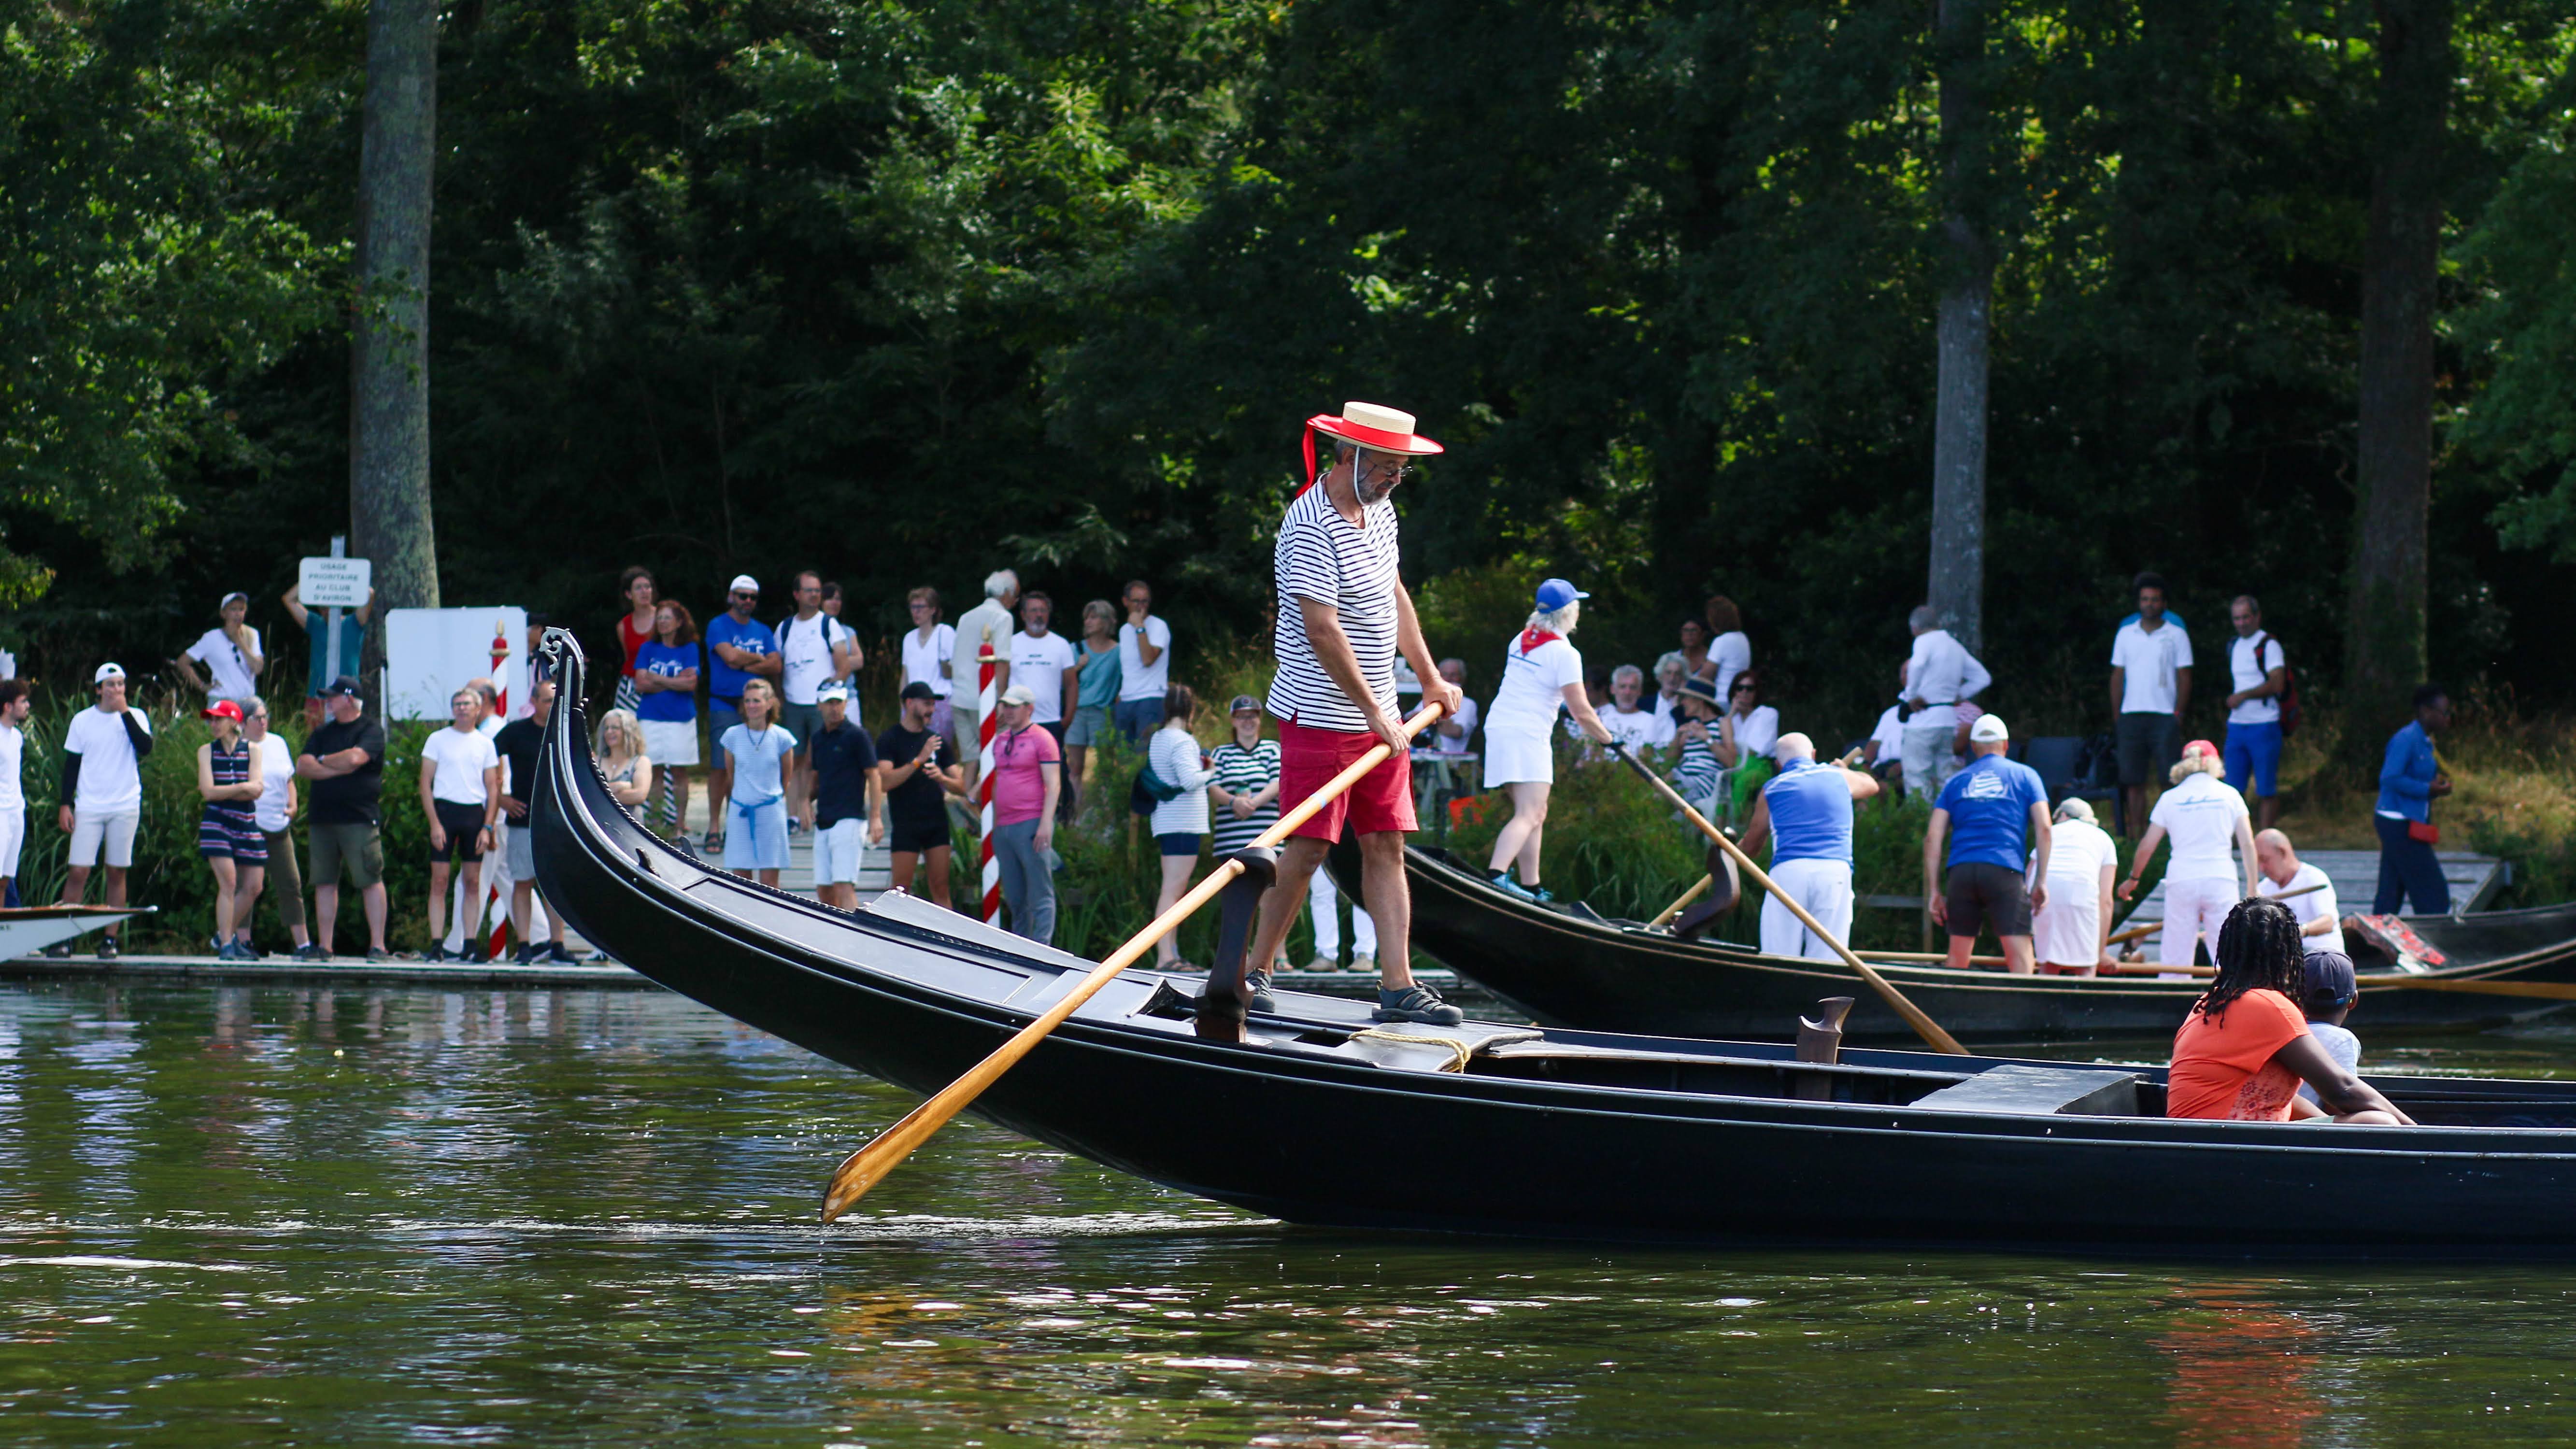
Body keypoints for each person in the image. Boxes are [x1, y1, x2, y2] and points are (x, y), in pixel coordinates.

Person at [1245, 401, 1467, 1025]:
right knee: (1308, 848)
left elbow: (1393, 594)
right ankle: (1254, 972)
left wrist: (1428, 678)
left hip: (1381, 717)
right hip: (1318, 715)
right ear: (1350, 457)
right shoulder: (1309, 525)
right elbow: (1321, 629)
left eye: (1401, 468)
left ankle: (1397, 987)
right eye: (1387, 467)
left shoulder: (1380, 511)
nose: (1395, 479)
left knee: (1387, 842)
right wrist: (1370, 709)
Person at [2165, 901, 2411, 1124]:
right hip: (2228, 1136)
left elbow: (2283, 1098)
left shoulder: (2208, 1002)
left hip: (2194, 1135)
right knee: (2379, 1123)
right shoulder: (2270, 1006)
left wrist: (2324, 1121)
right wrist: (2416, 1130)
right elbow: (2343, 1090)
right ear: (2287, 954)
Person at [1481, 579, 1613, 902]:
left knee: (1534, 811)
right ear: (1568, 613)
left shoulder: (1520, 639)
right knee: (1529, 813)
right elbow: (1582, 711)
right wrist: (1608, 740)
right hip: (1527, 733)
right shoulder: (1565, 653)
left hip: (1500, 727)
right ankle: (1496, 876)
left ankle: (1531, 885)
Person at [1923, 714, 2051, 973]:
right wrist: (2041, 880)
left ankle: (1952, 999)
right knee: (2020, 957)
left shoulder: (1955, 782)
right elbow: (2045, 828)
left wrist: (1935, 890)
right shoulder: (2026, 776)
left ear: (1973, 747)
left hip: (1961, 871)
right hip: (2004, 869)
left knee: (1957, 959)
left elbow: (1933, 837)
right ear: (2006, 745)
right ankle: (2024, 1000)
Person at [1736, 733, 1879, 959]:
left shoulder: (1772, 788)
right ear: (1813, 755)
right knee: (1828, 959)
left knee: (1778, 957)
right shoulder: (1840, 777)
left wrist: (1729, 853)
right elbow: (1872, 785)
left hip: (1789, 874)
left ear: (1779, 764)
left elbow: (1751, 847)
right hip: (1834, 873)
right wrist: (1846, 770)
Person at [2118, 740, 2257, 974]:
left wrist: (2133, 879)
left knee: (2176, 954)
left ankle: (2172, 990)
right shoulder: (2230, 795)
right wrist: (2252, 886)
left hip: (2182, 879)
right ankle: (2235, 992)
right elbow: (2247, 843)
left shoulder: (2170, 797)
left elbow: (2147, 845)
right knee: (2228, 950)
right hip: (2220, 878)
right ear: (2214, 763)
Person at [50, 663, 155, 959]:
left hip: (124, 804)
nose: (116, 690)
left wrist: (124, 712)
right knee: (78, 870)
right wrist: (65, 804)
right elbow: (72, 765)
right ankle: (65, 937)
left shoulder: (136, 716)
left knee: (116, 871)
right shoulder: (83, 720)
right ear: (98, 690)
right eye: (110, 685)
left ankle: (110, 939)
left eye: (121, 684)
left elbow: (145, 747)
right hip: (90, 805)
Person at [297, 676, 388, 960]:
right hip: (322, 817)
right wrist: (333, 765)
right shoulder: (323, 732)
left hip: (359, 817)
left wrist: (322, 760)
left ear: (349, 699)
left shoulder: (371, 729)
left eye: (333, 697)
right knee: (324, 881)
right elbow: (303, 765)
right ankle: (325, 946)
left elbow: (356, 759)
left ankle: (378, 945)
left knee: (370, 879)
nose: (328, 702)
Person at [417, 686, 501, 962]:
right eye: (457, 704)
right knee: (439, 881)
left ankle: (470, 944)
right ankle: (437, 945)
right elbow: (425, 783)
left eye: (467, 704)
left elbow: (492, 787)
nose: (462, 708)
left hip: (473, 814)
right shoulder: (438, 739)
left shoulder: (485, 743)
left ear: (478, 709)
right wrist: (434, 823)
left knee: (472, 882)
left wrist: (488, 827)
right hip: (445, 812)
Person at [492, 677, 572, 961]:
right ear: (534, 702)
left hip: (557, 821)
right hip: (522, 819)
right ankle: (524, 945)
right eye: (547, 701)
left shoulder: (566, 732)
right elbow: (485, 760)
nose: (552, 706)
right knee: (522, 882)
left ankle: (558, 946)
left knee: (555, 886)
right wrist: (500, 798)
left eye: (556, 701)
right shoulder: (515, 732)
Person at [2110, 571, 2193, 835]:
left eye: (2155, 600)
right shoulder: (2126, 633)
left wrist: (2179, 713)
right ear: (2139, 602)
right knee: (2133, 779)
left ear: (2164, 604)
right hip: (2131, 715)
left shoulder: (2176, 634)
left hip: (2164, 716)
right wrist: (2118, 715)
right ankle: (2137, 834)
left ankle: (2169, 833)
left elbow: (2185, 676)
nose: (2150, 604)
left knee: (2169, 778)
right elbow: (2117, 675)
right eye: (2145, 599)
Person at [778, 570, 860, 832]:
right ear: (796, 594)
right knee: (794, 761)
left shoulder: (829, 624)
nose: (815, 595)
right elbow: (777, 666)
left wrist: (829, 697)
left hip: (819, 706)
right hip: (793, 704)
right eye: (809, 590)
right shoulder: (785, 627)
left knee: (823, 761)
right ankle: (794, 817)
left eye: (817, 590)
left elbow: (844, 664)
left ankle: (824, 811)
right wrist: (780, 697)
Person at [703, 575, 781, 851]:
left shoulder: (763, 630)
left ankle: (741, 824)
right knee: (720, 766)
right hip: (724, 703)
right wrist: (758, 659)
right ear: (731, 597)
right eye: (742, 595)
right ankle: (714, 826)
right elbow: (730, 657)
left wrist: (745, 663)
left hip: (755, 706)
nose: (747, 601)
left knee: (753, 764)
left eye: (752, 597)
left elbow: (776, 665)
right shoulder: (718, 625)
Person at [1145, 684, 1219, 967]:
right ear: (1191, 710)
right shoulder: (1183, 741)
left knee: (1172, 889)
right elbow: (1189, 781)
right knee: (1173, 890)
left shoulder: (1159, 738)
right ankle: (1166, 956)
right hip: (1183, 822)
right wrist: (1210, 772)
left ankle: (1171, 954)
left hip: (1167, 820)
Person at [876, 682, 968, 907]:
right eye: (927, 704)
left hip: (936, 822)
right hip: (906, 823)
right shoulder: (890, 739)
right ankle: (895, 930)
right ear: (909, 703)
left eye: (933, 705)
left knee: (941, 888)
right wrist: (919, 760)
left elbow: (961, 787)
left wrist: (942, 779)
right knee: (900, 891)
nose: (932, 710)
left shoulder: (936, 741)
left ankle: (946, 930)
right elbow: (885, 782)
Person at [988, 683, 1063, 944]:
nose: (1007, 711)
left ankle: (1042, 948)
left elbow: (1054, 783)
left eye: (1014, 706)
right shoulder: (1001, 740)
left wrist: (1046, 823)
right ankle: (1020, 947)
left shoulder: (1042, 738)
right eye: (1005, 706)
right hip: (1004, 825)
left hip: (1030, 821)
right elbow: (997, 781)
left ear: (1029, 708)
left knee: (1040, 891)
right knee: (1014, 895)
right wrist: (994, 826)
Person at [192, 699, 267, 959]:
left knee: (255, 886)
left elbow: (257, 789)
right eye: (211, 720)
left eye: (219, 719)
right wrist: (243, 787)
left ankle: (224, 935)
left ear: (234, 721)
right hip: (217, 822)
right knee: (229, 882)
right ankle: (226, 944)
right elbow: (208, 792)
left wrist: (231, 790)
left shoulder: (253, 750)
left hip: (246, 822)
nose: (213, 724)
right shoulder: (206, 751)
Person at [240, 697, 313, 959]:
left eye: (265, 716)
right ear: (243, 722)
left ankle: (303, 945)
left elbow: (288, 780)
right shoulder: (237, 748)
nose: (263, 722)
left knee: (291, 883)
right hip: (250, 826)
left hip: (279, 826)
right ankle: (243, 941)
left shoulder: (278, 743)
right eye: (257, 718)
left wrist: (293, 805)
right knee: (248, 886)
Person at [2374, 684, 2452, 915]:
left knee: (2391, 891)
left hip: (2408, 820)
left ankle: (2376, 930)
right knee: (2434, 894)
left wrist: (2434, 785)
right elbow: (2390, 778)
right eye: (2444, 713)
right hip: (2398, 822)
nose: (2448, 718)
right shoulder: (2406, 739)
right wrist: (2428, 789)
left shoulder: (2424, 740)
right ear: (2427, 712)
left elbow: (2413, 774)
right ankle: (2434, 931)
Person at [1899, 604, 1990, 799]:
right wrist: (1960, 695)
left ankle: (1921, 816)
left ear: (1914, 628)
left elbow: (1917, 665)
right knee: (1945, 775)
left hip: (1924, 719)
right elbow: (1983, 677)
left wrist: (1911, 696)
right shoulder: (1954, 645)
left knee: (1917, 776)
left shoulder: (1924, 641)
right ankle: (1947, 815)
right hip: (1948, 719)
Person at [713, 676, 795, 889]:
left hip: (770, 812)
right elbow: (731, 775)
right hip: (740, 811)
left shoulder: (782, 737)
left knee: (769, 883)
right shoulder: (732, 736)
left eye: (757, 701)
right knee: (741, 880)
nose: (751, 706)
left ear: (769, 704)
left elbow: (786, 776)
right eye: (748, 701)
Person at [806, 683, 880, 911]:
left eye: (838, 702)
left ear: (846, 704)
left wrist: (876, 817)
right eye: (829, 703)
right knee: (824, 889)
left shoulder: (857, 736)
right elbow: (816, 777)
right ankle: (833, 930)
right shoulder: (818, 739)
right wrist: (804, 802)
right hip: (824, 819)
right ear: (819, 705)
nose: (834, 708)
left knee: (844, 885)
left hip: (850, 818)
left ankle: (852, 931)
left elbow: (874, 775)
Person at [632, 601, 701, 835]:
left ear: (679, 622)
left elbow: (691, 684)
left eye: (667, 618)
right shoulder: (648, 649)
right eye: (660, 618)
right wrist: (675, 682)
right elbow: (640, 684)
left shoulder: (689, 649)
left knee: (680, 772)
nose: (662, 622)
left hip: (681, 719)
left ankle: (680, 824)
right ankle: (657, 823)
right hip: (651, 718)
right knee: (655, 771)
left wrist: (657, 679)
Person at [2221, 595, 2289, 829]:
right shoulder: (2234, 646)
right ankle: (2235, 837)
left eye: (2246, 617)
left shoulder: (2269, 645)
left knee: (2266, 788)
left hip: (2264, 724)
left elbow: (2277, 684)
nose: (2241, 623)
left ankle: (2266, 836)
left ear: (2257, 617)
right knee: (2232, 788)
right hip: (2237, 725)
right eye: (2236, 619)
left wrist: (2243, 696)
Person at [2029, 797, 2118, 974]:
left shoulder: (2051, 832)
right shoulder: (2103, 837)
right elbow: (2106, 901)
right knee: (2086, 966)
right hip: (2081, 891)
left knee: (2049, 964)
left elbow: (2029, 875)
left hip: (2045, 893)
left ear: (2063, 815)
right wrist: (2100, 952)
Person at [952, 570, 1020, 779]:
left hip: (959, 698)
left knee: (971, 758)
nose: (1016, 601)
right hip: (984, 699)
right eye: (1015, 595)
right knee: (998, 758)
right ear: (1006, 593)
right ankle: (984, 798)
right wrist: (1002, 700)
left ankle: (968, 797)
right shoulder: (1003, 617)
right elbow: (1002, 662)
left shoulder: (965, 617)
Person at [280, 582, 373, 728]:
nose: (327, 611)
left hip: (347, 697)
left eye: (330, 606)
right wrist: (313, 576)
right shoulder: (315, 624)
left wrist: (341, 579)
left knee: (347, 739)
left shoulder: (354, 623)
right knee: (317, 740)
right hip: (317, 697)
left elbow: (370, 594)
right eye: (323, 607)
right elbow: (288, 599)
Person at [2254, 828, 2346, 956]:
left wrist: (2300, 931)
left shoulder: (2314, 878)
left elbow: (2328, 922)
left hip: (2322, 956)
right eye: (2257, 861)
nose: (2261, 868)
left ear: (2283, 852)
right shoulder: (2263, 889)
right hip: (2286, 958)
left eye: (2265, 859)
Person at [1065, 600, 1122, 796]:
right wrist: (1078, 667)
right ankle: (1073, 810)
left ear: (1106, 621)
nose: (1088, 622)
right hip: (1077, 712)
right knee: (1075, 766)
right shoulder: (1076, 649)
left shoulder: (1119, 652)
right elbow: (1062, 682)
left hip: (1103, 712)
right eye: (1086, 618)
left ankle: (1106, 810)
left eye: (1094, 617)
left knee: (1106, 766)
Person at [2293, 952, 2363, 1108]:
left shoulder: (2284, 1031)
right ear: (2353, 1001)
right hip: (2306, 1123)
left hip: (2278, 1118)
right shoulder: (2342, 1039)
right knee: (2378, 1118)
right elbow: (2340, 1103)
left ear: (2297, 998)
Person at [1009, 592, 1080, 743]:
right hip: (1018, 722)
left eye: (1043, 611)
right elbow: (1001, 681)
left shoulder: (1061, 645)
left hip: (1051, 721)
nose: (1039, 615)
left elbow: (1071, 685)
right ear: (1023, 615)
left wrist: (1067, 719)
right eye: (1034, 611)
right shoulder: (1010, 644)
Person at [172, 592, 266, 706]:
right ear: (223, 613)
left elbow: (258, 669)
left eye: (241, 609)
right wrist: (202, 686)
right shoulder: (212, 637)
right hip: (221, 700)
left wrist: (238, 640)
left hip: (247, 701)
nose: (238, 614)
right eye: (233, 609)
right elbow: (182, 663)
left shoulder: (252, 634)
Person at [1115, 579, 1173, 746]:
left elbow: (1148, 659)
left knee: (1146, 753)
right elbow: (1129, 668)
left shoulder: (1159, 626)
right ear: (1125, 602)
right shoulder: (1124, 631)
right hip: (1127, 700)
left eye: (1145, 601)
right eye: (1136, 601)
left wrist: (1140, 627)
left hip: (1151, 698)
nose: (1141, 606)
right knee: (1124, 754)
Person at [901, 586, 958, 744]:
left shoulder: (945, 632)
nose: (916, 612)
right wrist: (903, 705)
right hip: (913, 702)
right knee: (912, 749)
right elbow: (905, 676)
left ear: (933, 610)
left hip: (938, 702)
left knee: (937, 750)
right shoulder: (909, 638)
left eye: (920, 607)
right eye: (913, 607)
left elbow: (957, 670)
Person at [1666, 674, 1725, 812]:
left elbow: (1731, 762)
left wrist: (1707, 739)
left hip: (1704, 782)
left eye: (1686, 698)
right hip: (1683, 778)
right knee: (1658, 787)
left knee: (1665, 788)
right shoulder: (1690, 726)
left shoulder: (1722, 723)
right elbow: (1669, 761)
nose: (1683, 703)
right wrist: (1678, 736)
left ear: (1699, 701)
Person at [612, 566, 658, 712]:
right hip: (632, 687)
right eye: (638, 588)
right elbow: (629, 658)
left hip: (661, 683)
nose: (644, 592)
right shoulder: (623, 626)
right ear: (629, 594)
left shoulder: (664, 618)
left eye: (647, 587)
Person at [594, 706, 655, 814]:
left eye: (615, 728)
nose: (609, 732)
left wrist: (601, 792)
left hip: (628, 822)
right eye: (607, 728)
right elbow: (586, 792)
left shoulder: (641, 762)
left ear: (628, 732)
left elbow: (639, 796)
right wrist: (620, 786)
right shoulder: (595, 761)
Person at [1598, 664, 1670, 751]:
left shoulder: (1650, 721)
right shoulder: (1601, 720)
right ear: (1613, 689)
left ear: (1640, 691)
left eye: (1633, 688)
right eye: (1623, 687)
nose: (1627, 692)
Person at [1694, 596, 1751, 701]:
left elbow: (1705, 676)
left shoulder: (1722, 641)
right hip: (1739, 697)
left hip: (1722, 699)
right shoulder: (1743, 638)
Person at [0, 680, 24, 911]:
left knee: (5, 879)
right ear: (8, 706)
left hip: (16, 811)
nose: (27, 706)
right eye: (23, 702)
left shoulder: (17, 737)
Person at [1431, 658, 1477, 754]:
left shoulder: (1469, 704)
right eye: (1445, 675)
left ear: (1462, 678)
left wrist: (1429, 722)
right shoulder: (1431, 699)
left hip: (1451, 759)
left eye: (1454, 675)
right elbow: (1409, 720)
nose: (1449, 679)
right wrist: (1442, 723)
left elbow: (1456, 732)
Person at [1649, 652, 1687, 731]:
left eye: (1677, 674)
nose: (1672, 678)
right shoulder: (1644, 704)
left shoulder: (1687, 709)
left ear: (1683, 679)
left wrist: (1677, 708)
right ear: (1660, 676)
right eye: (1668, 673)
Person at [1676, 616, 1711, 682]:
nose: (1689, 634)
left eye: (1694, 630)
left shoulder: (1712, 658)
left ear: (1703, 635)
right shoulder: (1675, 658)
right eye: (1686, 630)